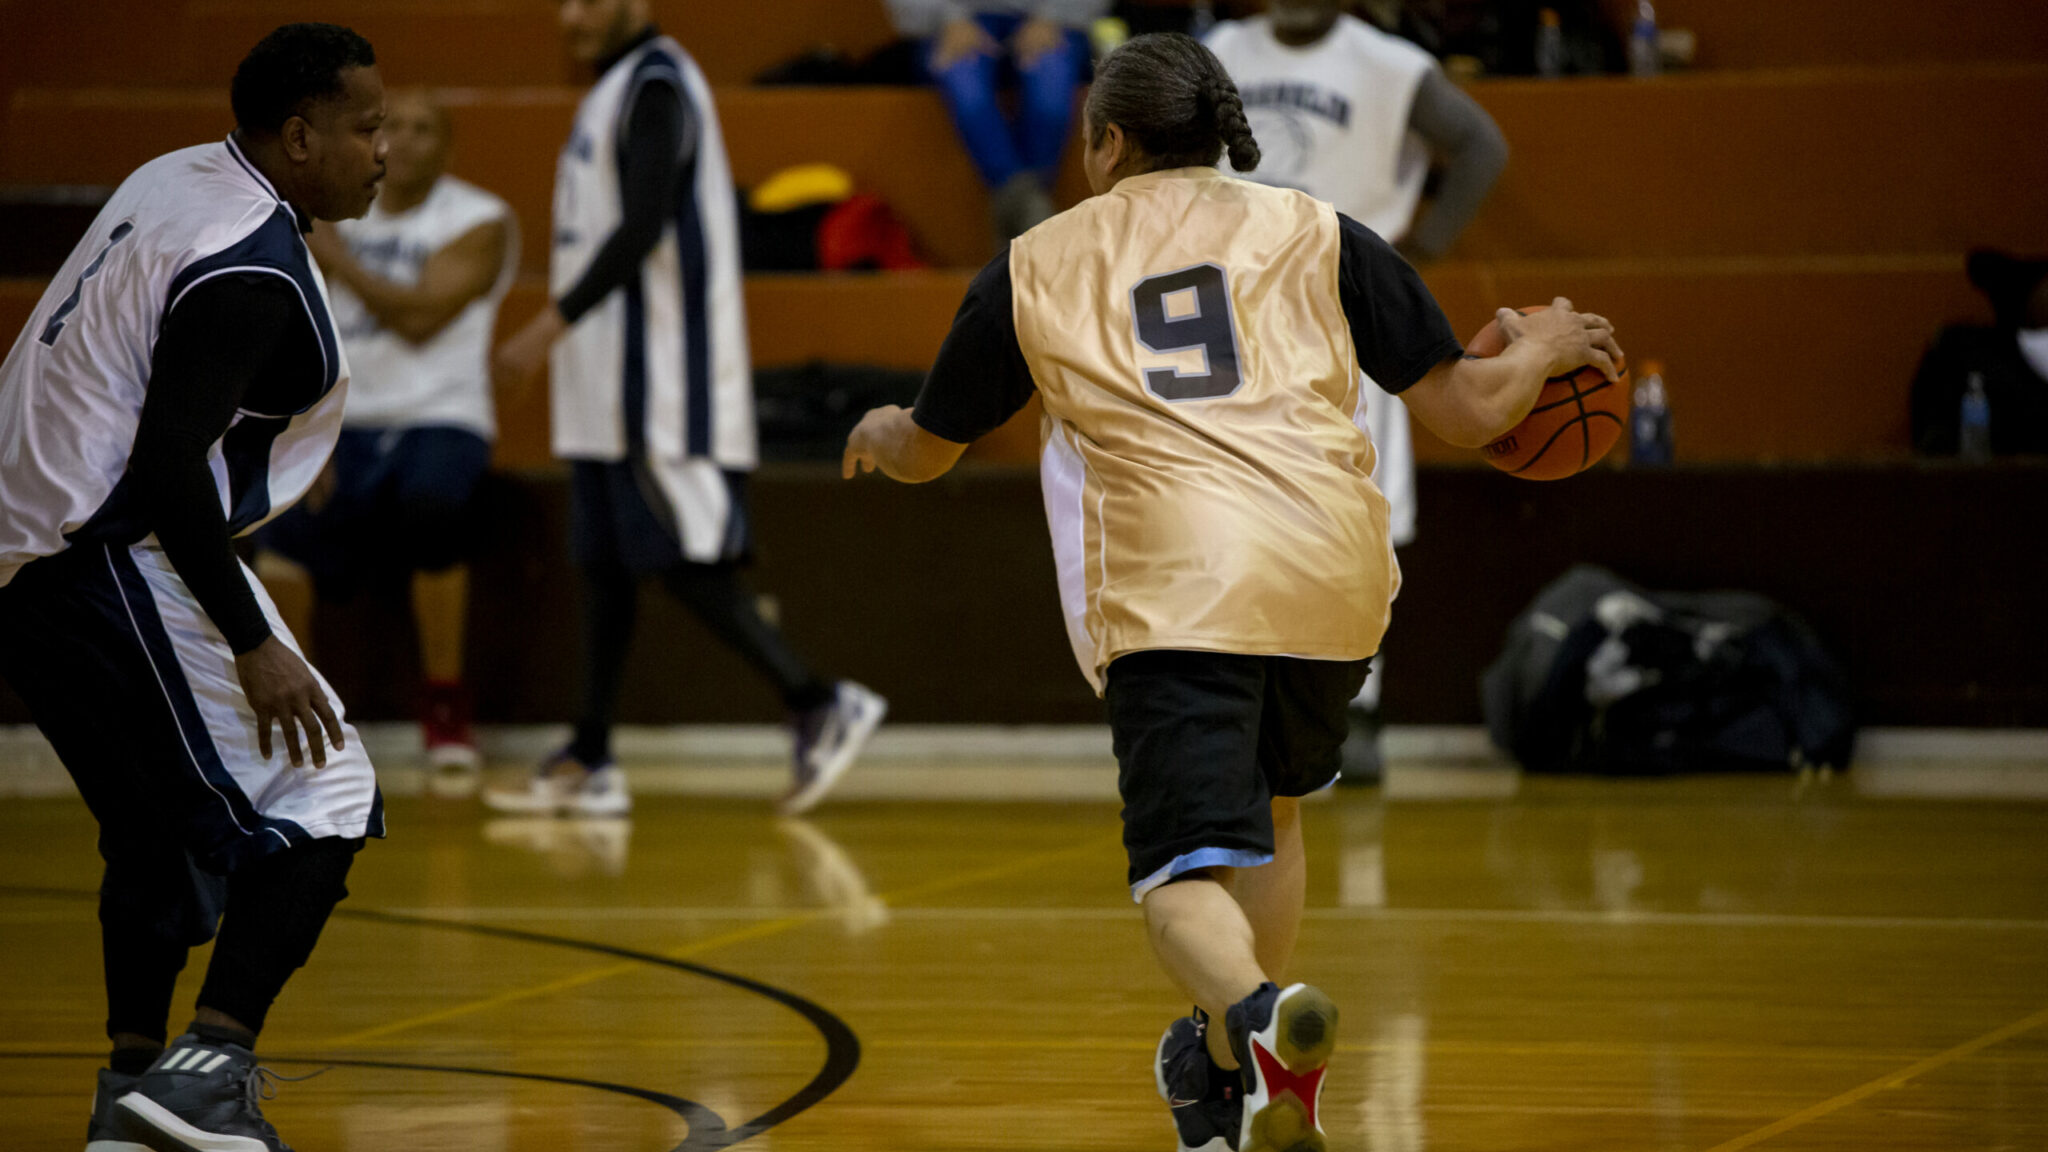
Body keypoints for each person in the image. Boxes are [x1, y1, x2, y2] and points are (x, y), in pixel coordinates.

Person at [842, 32, 1617, 1151]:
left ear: (1107, 142)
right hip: (1333, 582)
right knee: (1273, 819)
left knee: (1176, 879)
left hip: (1177, 589)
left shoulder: (1036, 263)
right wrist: (1541, 349)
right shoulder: (1317, 229)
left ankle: (1255, 1017)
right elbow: (1464, 410)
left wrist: (882, 428)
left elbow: (931, 449)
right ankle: (1226, 1076)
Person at [0, 23, 387, 1152]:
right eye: (363, 127)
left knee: (153, 832)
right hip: (102, 548)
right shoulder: (251, 263)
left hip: (22, 555)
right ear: (300, 134)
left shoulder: (173, 176)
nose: (381, 150)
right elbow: (168, 469)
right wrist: (252, 642)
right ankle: (206, 1073)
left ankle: (131, 1090)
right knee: (326, 795)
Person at [492, 0, 885, 818]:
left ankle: (817, 699)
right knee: (603, 566)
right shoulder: (612, 90)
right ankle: (591, 755)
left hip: (662, 376)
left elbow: (641, 228)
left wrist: (541, 330)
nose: (573, 18)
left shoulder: (660, 84)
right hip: (602, 381)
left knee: (677, 556)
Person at [1206, 0, 1510, 778]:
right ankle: (1244, 706)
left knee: (1361, 528)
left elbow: (1481, 145)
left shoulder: (1388, 64)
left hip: (1348, 323)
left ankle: (1360, 711)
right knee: (1238, 520)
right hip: (1235, 326)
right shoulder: (1219, 50)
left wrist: (1423, 245)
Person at [257, 88, 517, 785]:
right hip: (345, 415)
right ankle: (304, 725)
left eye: (424, 128)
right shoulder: (333, 210)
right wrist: (298, 428)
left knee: (435, 510)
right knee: (278, 532)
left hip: (441, 414)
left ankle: (444, 707)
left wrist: (334, 255)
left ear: (449, 147)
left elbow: (421, 316)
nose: (403, 139)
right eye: (389, 125)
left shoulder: (479, 217)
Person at [885, 0, 1110, 245]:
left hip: (1055, 20)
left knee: (1050, 98)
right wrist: (949, 18)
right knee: (968, 92)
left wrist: (1053, 16)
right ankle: (1032, 215)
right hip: (950, 22)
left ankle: (1019, 216)